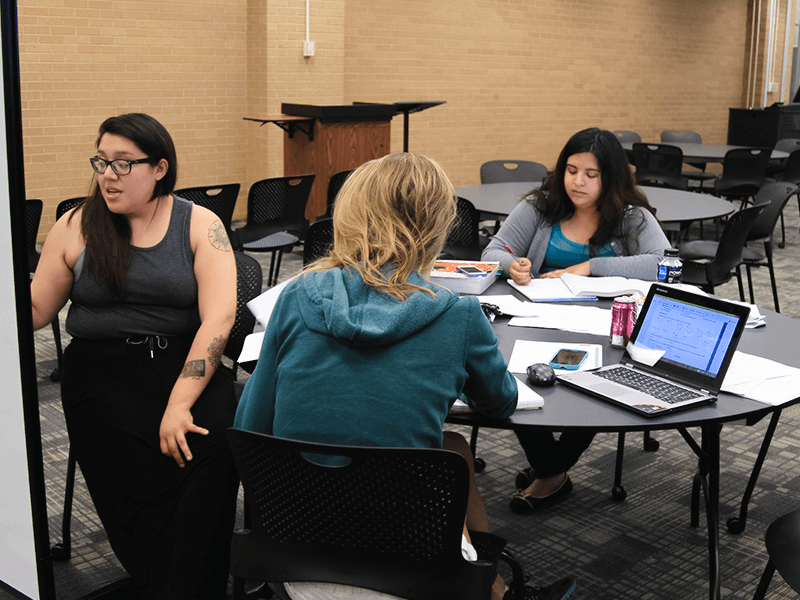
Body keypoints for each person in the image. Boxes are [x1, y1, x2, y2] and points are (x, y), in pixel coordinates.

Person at [234, 153, 576, 600]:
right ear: (438, 224)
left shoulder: (298, 295)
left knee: (452, 449)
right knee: (447, 456)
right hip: (410, 560)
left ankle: (493, 589)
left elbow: (250, 428)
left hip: (293, 545)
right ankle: (496, 592)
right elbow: (500, 402)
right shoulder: (457, 313)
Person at [30, 113, 239, 599]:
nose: (107, 174)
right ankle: (158, 581)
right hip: (100, 375)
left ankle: (190, 586)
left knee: (211, 457)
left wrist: (179, 403)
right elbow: (38, 310)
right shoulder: (77, 224)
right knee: (131, 486)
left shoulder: (198, 223)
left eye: (123, 164)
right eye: (101, 161)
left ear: (160, 168)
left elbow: (219, 319)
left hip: (184, 370)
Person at [481, 127, 670, 513]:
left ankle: (549, 470)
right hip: (534, 321)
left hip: (605, 330)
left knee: (600, 385)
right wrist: (511, 266)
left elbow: (663, 263)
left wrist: (591, 266)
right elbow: (493, 250)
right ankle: (552, 469)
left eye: (591, 174)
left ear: (611, 178)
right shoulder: (540, 207)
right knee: (506, 376)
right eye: (571, 170)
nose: (577, 182)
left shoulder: (632, 218)